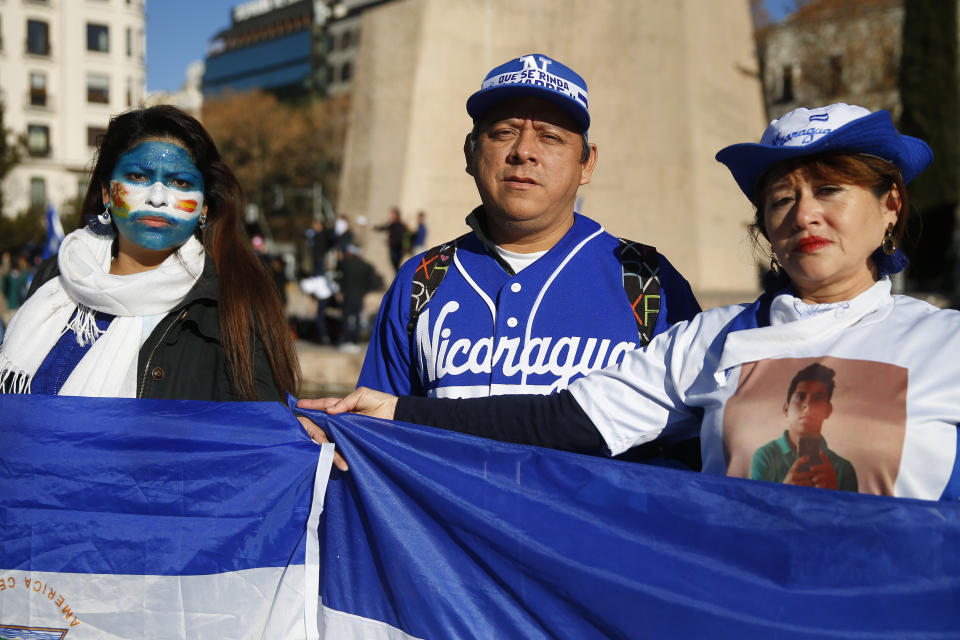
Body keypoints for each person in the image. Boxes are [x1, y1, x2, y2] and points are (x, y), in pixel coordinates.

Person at [304, 102, 960, 502]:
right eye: (782, 196)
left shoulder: (945, 344)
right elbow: (563, 423)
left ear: (890, 205)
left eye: (829, 189)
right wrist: (396, 410)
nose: (804, 213)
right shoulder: (710, 339)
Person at [357, 54, 699, 425]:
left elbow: (695, 445)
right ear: (470, 153)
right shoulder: (420, 280)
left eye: (550, 137)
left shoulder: (647, 279)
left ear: (587, 164)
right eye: (504, 132)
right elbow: (376, 440)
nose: (523, 151)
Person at [0, 105, 299, 400]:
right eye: (139, 177)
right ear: (107, 193)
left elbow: (260, 430)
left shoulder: (232, 305)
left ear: (204, 206)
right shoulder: (57, 277)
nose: (157, 198)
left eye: (180, 182)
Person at [750, 363, 857, 492]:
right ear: (786, 408)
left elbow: (852, 512)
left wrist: (833, 492)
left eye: (817, 398)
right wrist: (785, 491)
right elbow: (754, 509)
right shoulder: (765, 457)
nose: (807, 405)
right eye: (800, 397)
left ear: (828, 410)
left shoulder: (843, 469)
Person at [337, 245, 382, 349]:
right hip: (359, 296)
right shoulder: (366, 265)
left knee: (346, 319)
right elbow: (373, 281)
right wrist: (365, 290)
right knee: (357, 318)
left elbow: (338, 273)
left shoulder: (345, 263)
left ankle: (346, 340)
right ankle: (355, 341)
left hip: (348, 296)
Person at [375, 207, 408, 273]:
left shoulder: (401, 225)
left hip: (398, 249)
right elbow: (382, 228)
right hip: (393, 248)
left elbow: (402, 237)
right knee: (395, 267)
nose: (391, 216)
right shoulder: (391, 224)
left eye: (393, 214)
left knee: (397, 267)